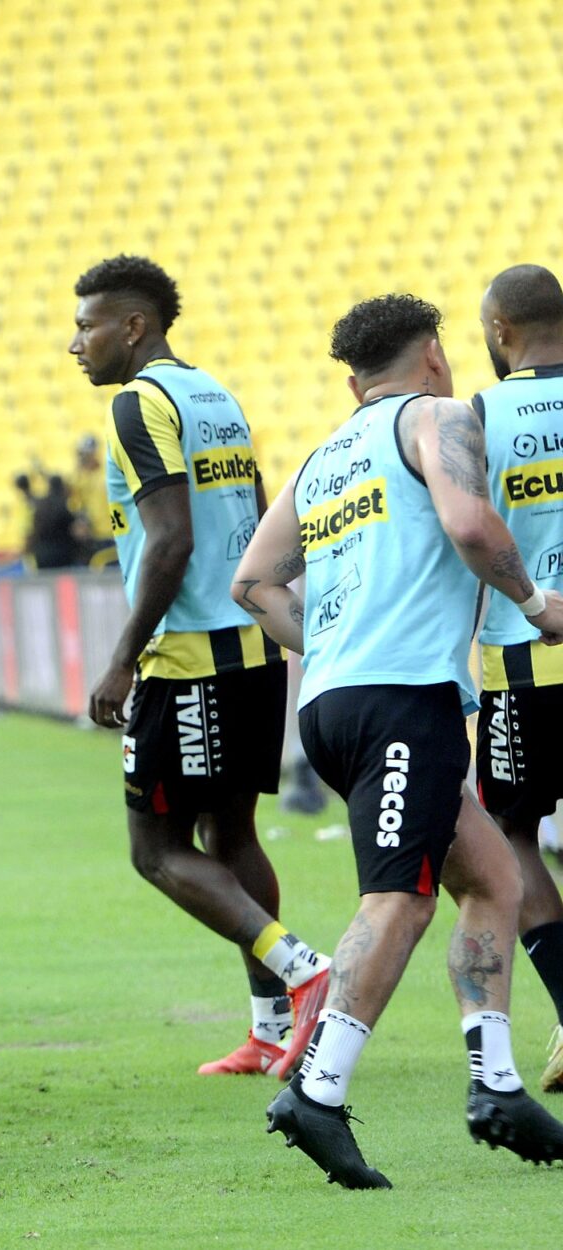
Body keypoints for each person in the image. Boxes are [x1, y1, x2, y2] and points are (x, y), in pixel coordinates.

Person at [234, 293, 563, 1187]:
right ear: (435, 356)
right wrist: (538, 606)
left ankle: (496, 1084)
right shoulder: (439, 418)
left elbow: (253, 583)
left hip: (335, 703)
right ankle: (317, 1091)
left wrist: (332, 645)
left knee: (493, 880)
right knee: (400, 900)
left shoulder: (323, 459)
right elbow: (470, 523)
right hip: (402, 701)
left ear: (354, 382)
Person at [69, 254, 330, 1078]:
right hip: (250, 649)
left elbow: (172, 538)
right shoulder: (214, 394)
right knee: (230, 831)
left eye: (87, 326)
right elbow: (256, 513)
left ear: (133, 326)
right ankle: (270, 1030)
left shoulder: (136, 404)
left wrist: (122, 660)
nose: (75, 343)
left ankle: (303, 970)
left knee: (155, 848)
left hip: (188, 659)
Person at [471, 263, 563, 1090]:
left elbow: (463, 537)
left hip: (525, 661)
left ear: (501, 331)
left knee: (512, 834)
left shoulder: (477, 415)